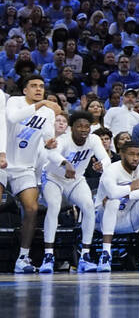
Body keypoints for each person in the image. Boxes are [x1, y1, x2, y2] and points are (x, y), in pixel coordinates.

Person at [38, 109, 110, 273]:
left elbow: (106, 158)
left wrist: (101, 165)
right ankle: (48, 256)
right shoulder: (63, 139)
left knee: (88, 207)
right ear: (72, 127)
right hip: (53, 177)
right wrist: (66, 164)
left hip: (76, 180)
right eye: (79, 126)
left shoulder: (93, 139)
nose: (84, 129)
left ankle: (85, 256)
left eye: (87, 126)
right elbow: (51, 155)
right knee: (54, 206)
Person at [6, 73, 63, 273]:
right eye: (34, 86)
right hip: (3, 163)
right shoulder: (14, 102)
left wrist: (50, 143)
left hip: (25, 168)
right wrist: (42, 104)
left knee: (31, 209)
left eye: (41, 86)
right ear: (25, 90)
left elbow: (48, 138)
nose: (39, 89)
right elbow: (12, 118)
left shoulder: (47, 112)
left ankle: (23, 258)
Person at [98, 140, 139, 272]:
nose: (135, 158)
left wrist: (125, 193)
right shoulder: (111, 170)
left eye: (138, 154)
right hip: (103, 219)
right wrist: (131, 187)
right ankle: (105, 255)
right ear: (122, 154)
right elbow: (111, 193)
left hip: (128, 217)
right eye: (131, 154)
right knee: (113, 202)